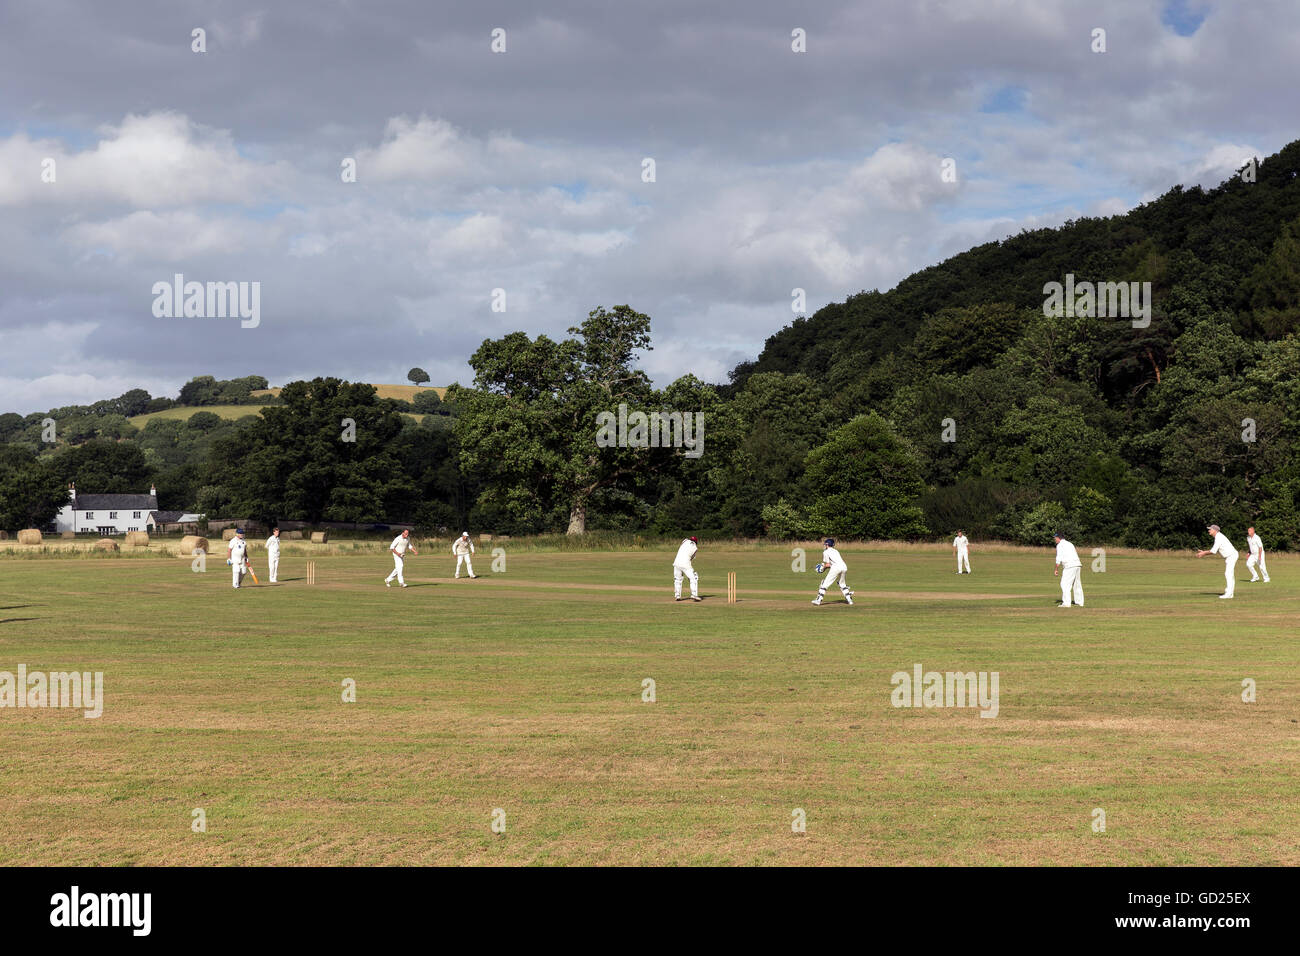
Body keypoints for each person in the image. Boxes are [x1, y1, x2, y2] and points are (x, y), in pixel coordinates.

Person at [1196, 524, 1239, 599]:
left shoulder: (1219, 537)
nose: (1209, 530)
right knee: (1229, 574)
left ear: (1215, 530)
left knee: (1228, 574)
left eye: (1210, 529)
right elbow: (1213, 550)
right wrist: (1204, 552)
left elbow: (1213, 551)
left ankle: (1229, 593)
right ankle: (1230, 592)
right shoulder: (1218, 537)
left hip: (1231, 555)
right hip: (1230, 556)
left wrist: (1203, 553)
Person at [812, 537, 853, 606]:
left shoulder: (825, 552)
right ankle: (850, 600)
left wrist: (822, 568)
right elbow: (832, 563)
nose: (824, 546)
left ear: (827, 545)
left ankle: (818, 601)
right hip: (844, 567)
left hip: (836, 568)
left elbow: (828, 564)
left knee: (824, 584)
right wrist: (824, 567)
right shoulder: (836, 551)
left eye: (825, 544)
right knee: (842, 584)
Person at [1053, 533, 1084, 607]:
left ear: (1058, 538)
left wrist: (1056, 569)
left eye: (1055, 538)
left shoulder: (1060, 545)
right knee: (1077, 584)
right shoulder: (1070, 543)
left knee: (1065, 584)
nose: (1054, 540)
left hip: (1069, 566)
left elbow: (1058, 558)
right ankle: (1079, 602)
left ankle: (1066, 603)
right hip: (1077, 564)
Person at [673, 535, 701, 602]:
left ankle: (677, 595)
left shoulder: (685, 541)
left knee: (678, 579)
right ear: (696, 542)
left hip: (676, 562)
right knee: (694, 578)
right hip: (685, 564)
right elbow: (691, 558)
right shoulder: (695, 548)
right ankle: (694, 594)